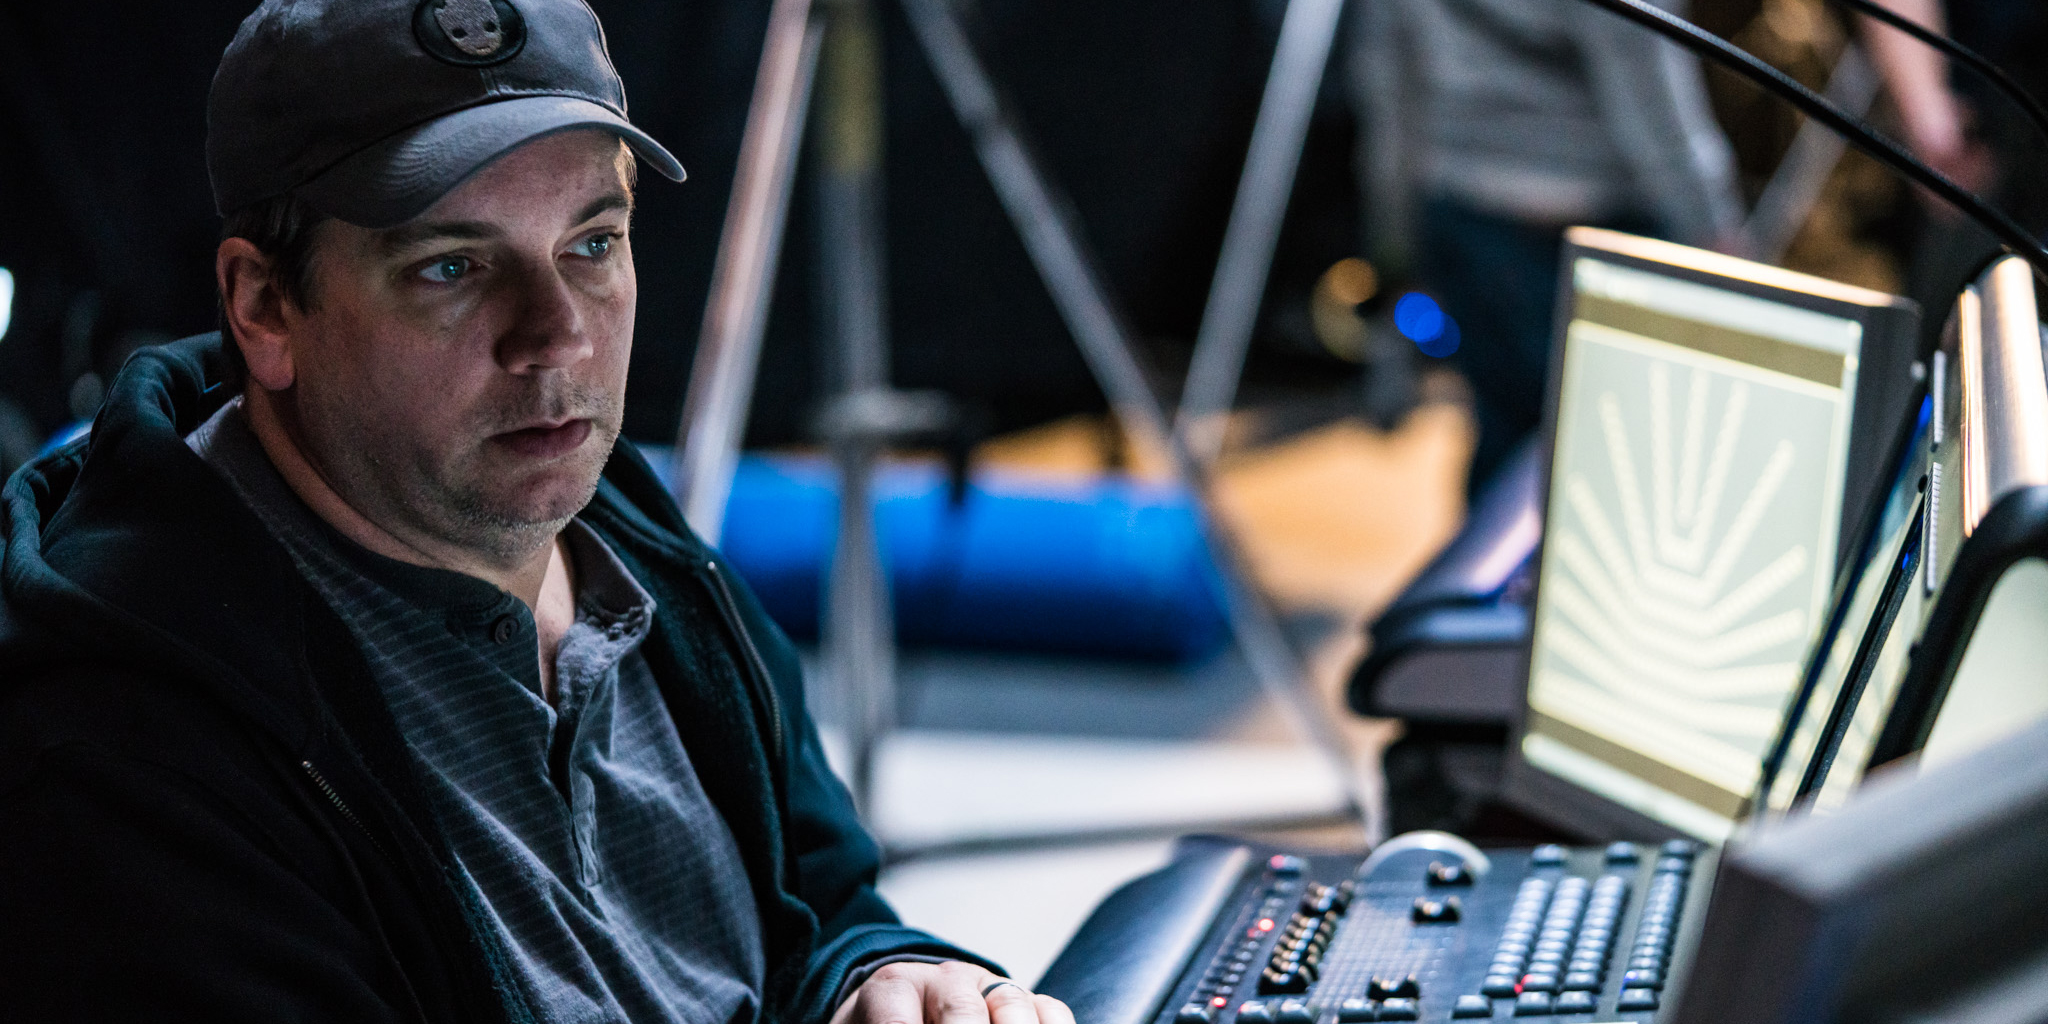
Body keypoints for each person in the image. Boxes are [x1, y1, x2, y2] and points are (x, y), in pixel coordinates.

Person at [0, 1, 1074, 1022]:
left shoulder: (623, 535)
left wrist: (885, 976)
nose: (557, 336)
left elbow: (821, 906)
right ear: (264, 305)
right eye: (453, 267)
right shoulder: (129, 757)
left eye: (591, 243)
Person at [1351, 0, 1745, 493]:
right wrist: (1718, 236)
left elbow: (1389, 85)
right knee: (1607, 460)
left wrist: (1394, 240)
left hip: (1461, 210)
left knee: (1505, 448)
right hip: (1583, 228)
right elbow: (1654, 100)